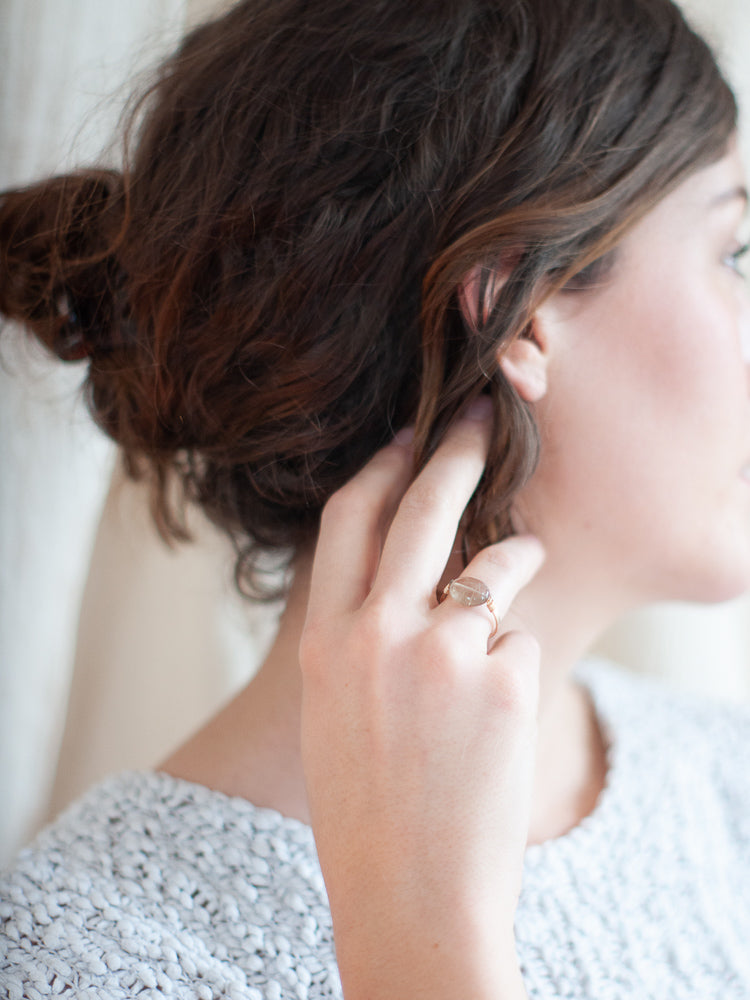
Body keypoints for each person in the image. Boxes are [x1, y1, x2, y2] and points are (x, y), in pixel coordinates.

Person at [1, 0, 749, 996]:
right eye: (736, 254)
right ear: (518, 307)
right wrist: (420, 935)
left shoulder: (725, 783)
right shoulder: (84, 961)